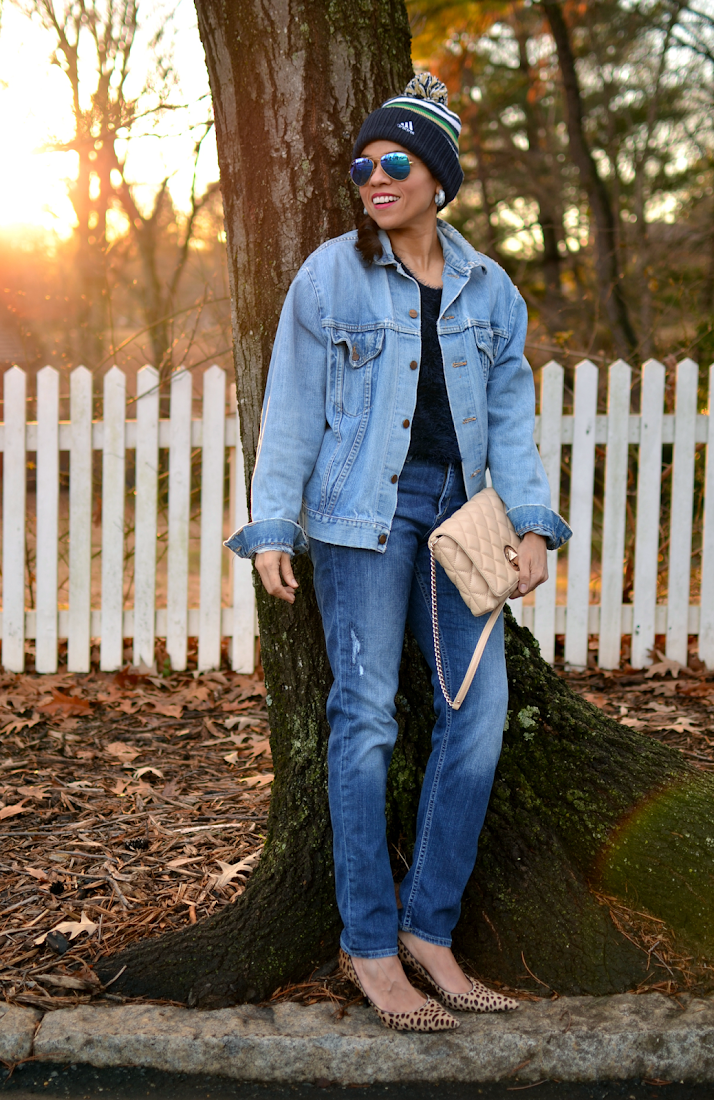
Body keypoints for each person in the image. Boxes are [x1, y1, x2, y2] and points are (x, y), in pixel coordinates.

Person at [226, 73, 572, 1033]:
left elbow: (510, 418)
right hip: (356, 520)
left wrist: (534, 521)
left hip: (463, 521)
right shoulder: (330, 275)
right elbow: (290, 410)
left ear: (438, 177)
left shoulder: (489, 289)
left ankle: (431, 930)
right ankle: (370, 945)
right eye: (362, 165)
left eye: (396, 163)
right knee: (366, 718)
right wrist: (271, 526)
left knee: (482, 714)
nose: (374, 177)